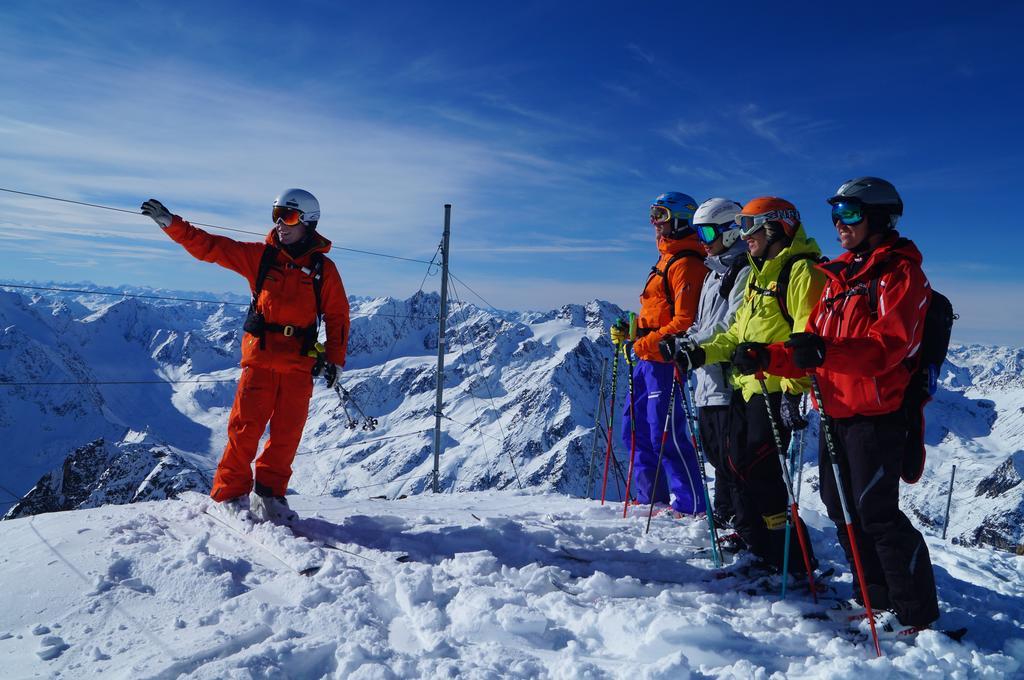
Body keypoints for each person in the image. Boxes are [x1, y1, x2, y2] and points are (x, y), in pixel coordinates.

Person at [757, 177, 940, 634]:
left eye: (851, 212)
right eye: (835, 212)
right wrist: (770, 358)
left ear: (879, 217)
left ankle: (915, 613)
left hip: (877, 416)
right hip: (835, 411)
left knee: (877, 516)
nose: (839, 222)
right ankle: (873, 600)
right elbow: (812, 348)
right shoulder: (836, 279)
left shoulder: (899, 274)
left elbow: (889, 348)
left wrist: (823, 353)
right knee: (842, 512)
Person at [141, 189, 350, 522]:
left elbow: (338, 315)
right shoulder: (261, 257)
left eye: (290, 216)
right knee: (244, 431)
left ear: (309, 222)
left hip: (298, 364)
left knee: (287, 435)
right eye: (276, 214)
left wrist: (335, 359)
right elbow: (212, 248)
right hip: (261, 360)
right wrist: (172, 224)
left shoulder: (324, 270)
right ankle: (229, 495)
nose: (280, 223)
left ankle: (270, 497)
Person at [670, 196, 824, 573]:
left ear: (775, 226)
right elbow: (737, 333)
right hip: (747, 385)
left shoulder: (800, 272)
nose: (744, 235)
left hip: (773, 387)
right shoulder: (761, 272)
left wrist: (794, 391)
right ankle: (765, 548)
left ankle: (792, 560)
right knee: (743, 468)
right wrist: (698, 353)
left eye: (749, 227)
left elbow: (807, 339)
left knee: (761, 472)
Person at [610, 192, 708, 516]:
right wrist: (632, 331)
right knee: (633, 428)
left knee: (664, 432)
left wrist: (644, 343)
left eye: (661, 214)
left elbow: (685, 321)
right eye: (653, 214)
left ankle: (690, 505)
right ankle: (650, 500)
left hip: (665, 360)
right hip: (647, 358)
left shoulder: (686, 264)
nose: (654, 222)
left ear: (681, 219)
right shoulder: (664, 262)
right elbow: (657, 313)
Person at [660, 198, 750, 530]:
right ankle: (726, 520)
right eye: (698, 231)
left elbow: (729, 326)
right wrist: (682, 341)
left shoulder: (741, 270)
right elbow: (701, 323)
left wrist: (693, 347)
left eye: (708, 231)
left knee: (733, 461)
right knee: (718, 459)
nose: (702, 239)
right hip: (706, 384)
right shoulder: (713, 273)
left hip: (727, 382)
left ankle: (742, 526)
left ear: (729, 231)